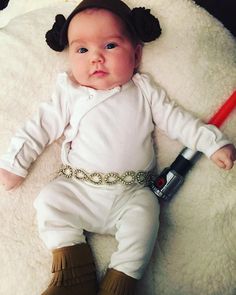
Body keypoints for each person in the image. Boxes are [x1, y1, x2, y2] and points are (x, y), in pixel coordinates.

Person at [0, 0, 235, 294]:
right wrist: (14, 163)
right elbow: (40, 126)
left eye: (110, 46)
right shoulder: (70, 92)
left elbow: (179, 122)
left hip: (131, 194)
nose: (96, 58)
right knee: (49, 201)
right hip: (78, 188)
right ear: (70, 56)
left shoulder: (144, 91)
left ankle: (121, 280)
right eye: (82, 50)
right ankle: (73, 270)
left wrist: (213, 143)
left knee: (147, 216)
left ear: (135, 54)